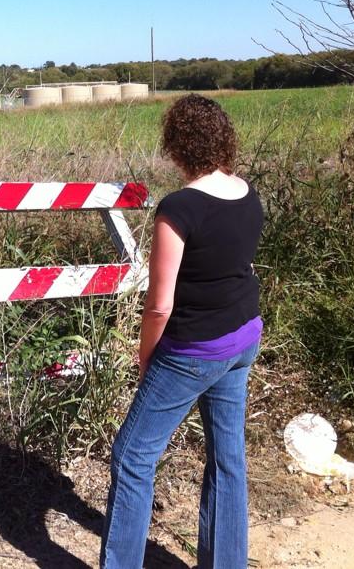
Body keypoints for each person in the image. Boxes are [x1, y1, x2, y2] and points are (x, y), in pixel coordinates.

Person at [101, 94, 264, 569]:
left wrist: (147, 355)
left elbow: (159, 304)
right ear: (222, 139)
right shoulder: (245, 192)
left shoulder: (179, 207)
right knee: (228, 458)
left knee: (132, 456)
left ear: (177, 146)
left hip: (194, 348)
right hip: (242, 336)